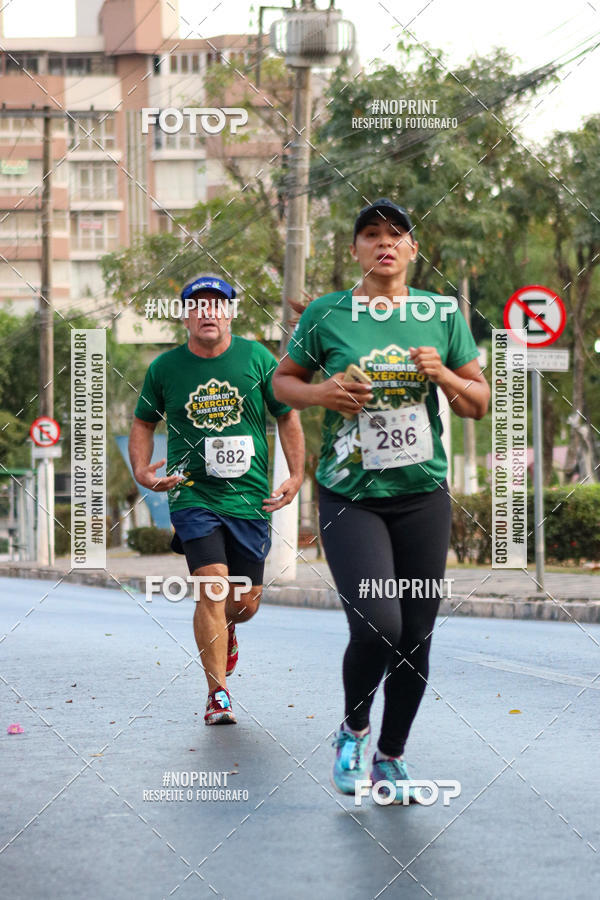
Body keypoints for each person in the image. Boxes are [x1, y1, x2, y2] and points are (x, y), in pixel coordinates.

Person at [272, 199, 489, 802]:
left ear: (413, 251)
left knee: (417, 635)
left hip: (422, 494)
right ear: (356, 251)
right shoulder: (325, 313)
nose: (384, 244)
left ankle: (389, 757)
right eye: (371, 235)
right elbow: (281, 382)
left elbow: (479, 401)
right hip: (350, 494)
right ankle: (353, 729)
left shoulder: (440, 313)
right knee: (378, 623)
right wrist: (322, 393)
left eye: (396, 235)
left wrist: (443, 374)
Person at [129, 274, 304, 725]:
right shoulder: (164, 368)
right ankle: (217, 695)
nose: (208, 312)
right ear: (185, 314)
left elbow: (286, 417)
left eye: (217, 304)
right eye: (198, 305)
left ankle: (226, 629)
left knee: (243, 603)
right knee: (211, 585)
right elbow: (144, 422)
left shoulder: (257, 358)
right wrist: (143, 470)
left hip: (248, 499)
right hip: (193, 495)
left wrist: (297, 473)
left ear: (230, 312)